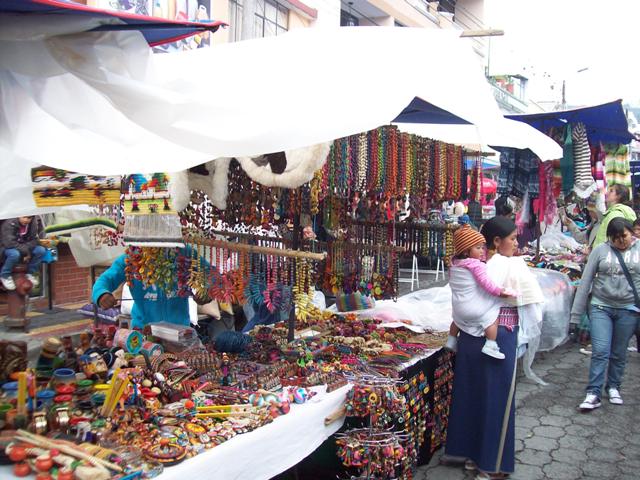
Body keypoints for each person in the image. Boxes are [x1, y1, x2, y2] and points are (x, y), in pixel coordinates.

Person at [444, 216, 543, 480]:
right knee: (497, 399)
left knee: (472, 395)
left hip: (469, 335)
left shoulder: (470, 264)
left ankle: (471, 455)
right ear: (497, 242)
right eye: (513, 239)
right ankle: (491, 464)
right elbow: (524, 300)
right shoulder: (506, 266)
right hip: (499, 336)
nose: (517, 244)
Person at [571, 217, 640, 410]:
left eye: (624, 236)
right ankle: (593, 392)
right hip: (601, 306)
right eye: (615, 238)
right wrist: (575, 315)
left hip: (629, 309)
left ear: (631, 233)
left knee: (619, 352)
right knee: (600, 350)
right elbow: (585, 281)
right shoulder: (600, 250)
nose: (621, 241)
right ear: (609, 237)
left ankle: (613, 386)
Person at [446, 225, 516, 360]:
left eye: (482, 247)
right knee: (491, 316)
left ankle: (451, 340)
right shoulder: (476, 265)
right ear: (466, 251)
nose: (482, 251)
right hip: (473, 310)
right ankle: (491, 344)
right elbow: (486, 283)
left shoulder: (454, 264)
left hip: (458, 308)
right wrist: (499, 292)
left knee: (456, 321)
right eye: (478, 248)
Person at [93, 251, 196, 330]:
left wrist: (203, 293)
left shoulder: (185, 254)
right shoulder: (131, 258)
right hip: (143, 331)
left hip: (180, 332)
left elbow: (205, 273)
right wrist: (101, 294)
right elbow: (105, 280)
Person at [0, 216, 45, 290]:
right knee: (14, 254)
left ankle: (31, 273)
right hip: (7, 248)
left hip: (25, 247)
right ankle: (5, 275)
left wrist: (26, 249)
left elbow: (35, 240)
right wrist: (25, 251)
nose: (26, 220)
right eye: (24, 217)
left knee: (40, 250)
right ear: (18, 216)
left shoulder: (32, 224)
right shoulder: (9, 224)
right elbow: (9, 243)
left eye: (29, 218)